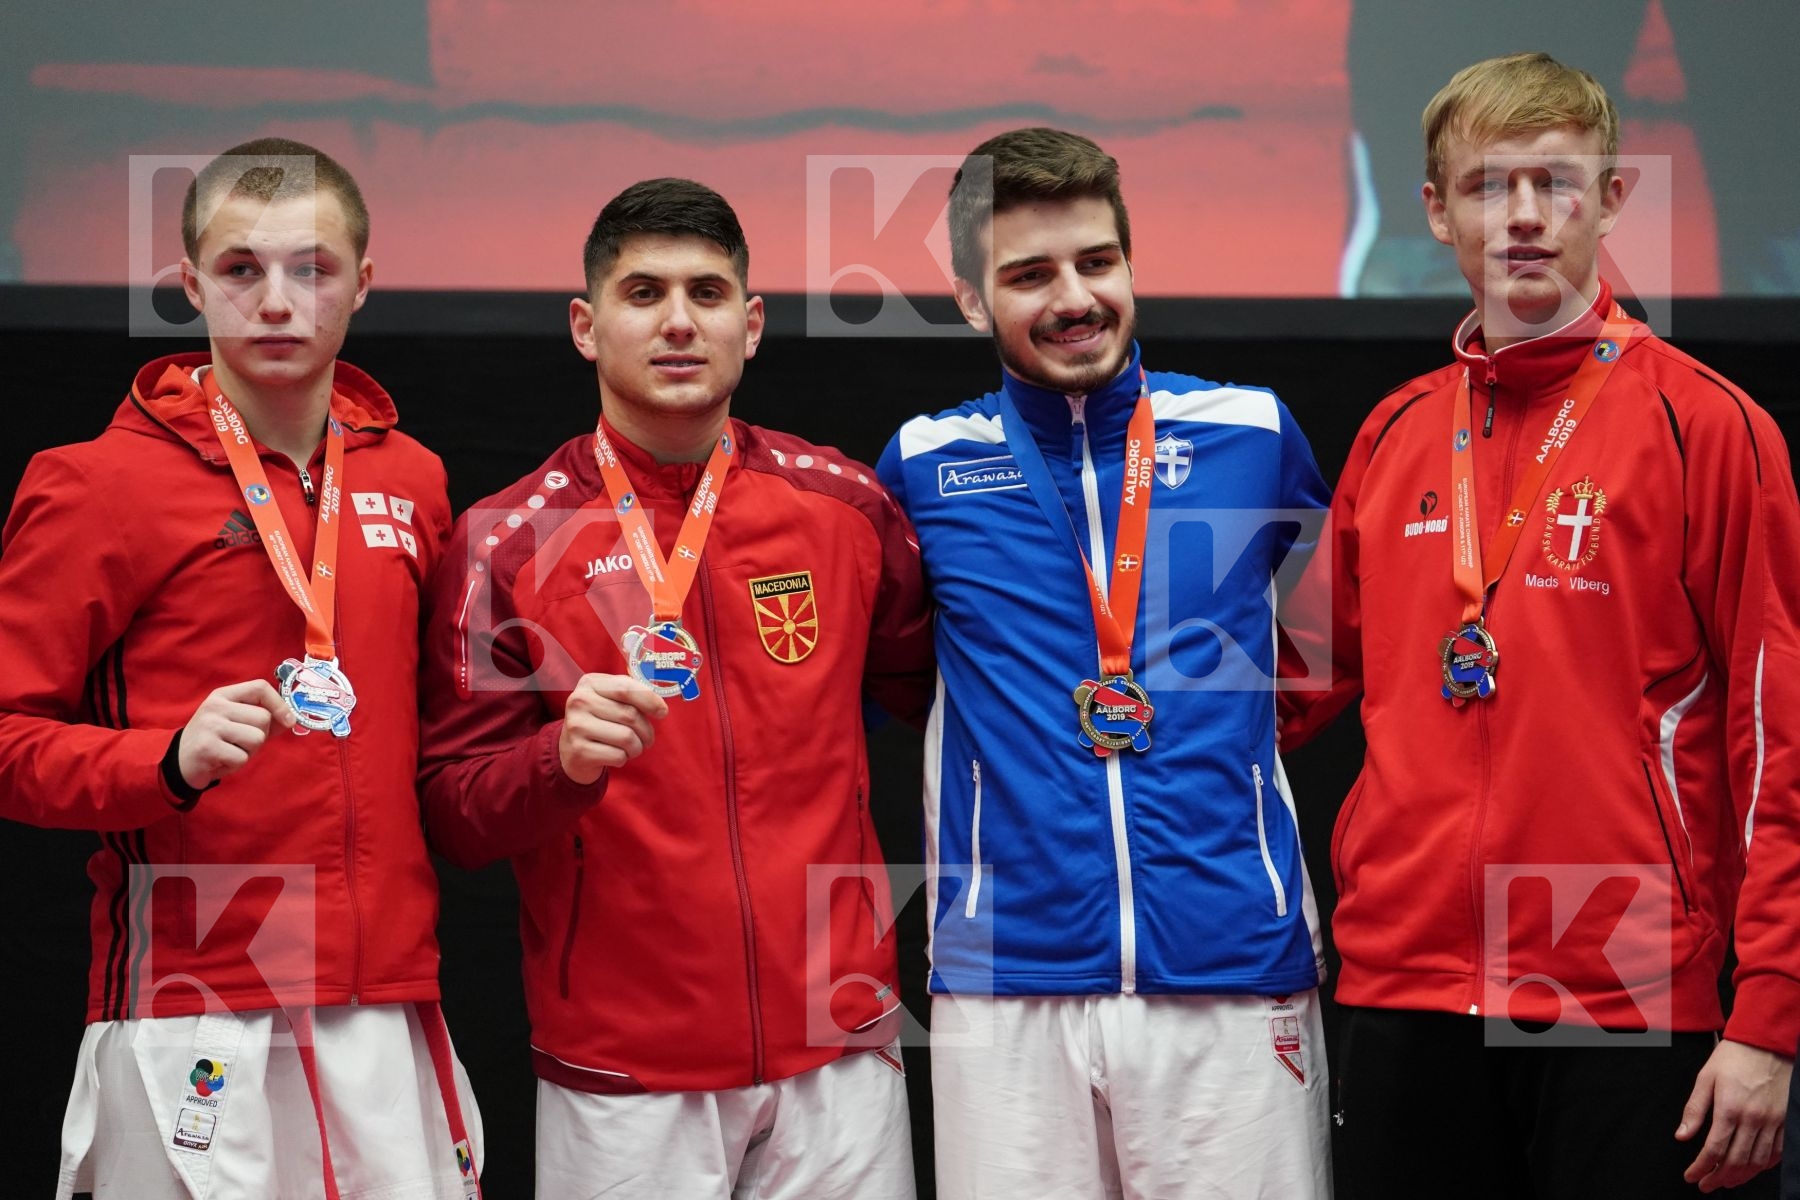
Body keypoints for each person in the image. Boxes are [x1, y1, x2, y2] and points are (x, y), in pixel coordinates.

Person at [1282, 53, 1799, 1198]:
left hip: (1623, 991)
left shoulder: (1708, 428)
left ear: (1611, 198)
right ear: (1435, 210)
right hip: (1403, 990)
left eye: (1555, 183)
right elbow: (1284, 693)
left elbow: (1780, 746)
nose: (1521, 217)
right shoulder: (1395, 435)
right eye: (1485, 186)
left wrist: (1768, 1017)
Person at [417, 177, 932, 1199]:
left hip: (842, 1038)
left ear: (752, 323)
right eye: (643, 292)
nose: (679, 321)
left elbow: (937, 704)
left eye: (707, 292)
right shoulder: (503, 544)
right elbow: (453, 813)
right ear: (585, 324)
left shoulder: (846, 508)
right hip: (621, 1065)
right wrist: (555, 762)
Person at [0, 137, 483, 1199]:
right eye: (241, 270)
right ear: (189, 286)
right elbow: (6, 738)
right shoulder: (96, 483)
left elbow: (447, 738)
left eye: (311, 269)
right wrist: (160, 762)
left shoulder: (415, 478)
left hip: (386, 992)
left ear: (364, 281)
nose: (277, 302)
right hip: (194, 995)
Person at [877, 127, 1334, 1199]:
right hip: (1005, 983)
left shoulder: (1252, 435)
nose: (1073, 297)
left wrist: (1221, 781)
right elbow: (901, 675)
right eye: (1029, 274)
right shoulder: (926, 466)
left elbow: (1326, 655)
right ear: (969, 301)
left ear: (1132, 264)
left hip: (1230, 964)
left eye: (1096, 262)